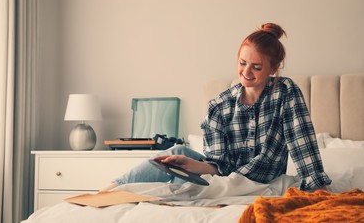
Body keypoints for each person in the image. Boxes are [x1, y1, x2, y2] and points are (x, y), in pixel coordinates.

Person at [103, 23, 331, 192]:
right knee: (176, 154)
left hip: (256, 184)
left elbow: (303, 147)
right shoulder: (220, 105)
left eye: (256, 67)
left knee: (177, 185)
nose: (246, 72)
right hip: (219, 178)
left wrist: (319, 191)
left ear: (273, 68)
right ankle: (109, 191)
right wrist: (193, 165)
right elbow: (219, 166)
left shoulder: (285, 92)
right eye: (242, 63)